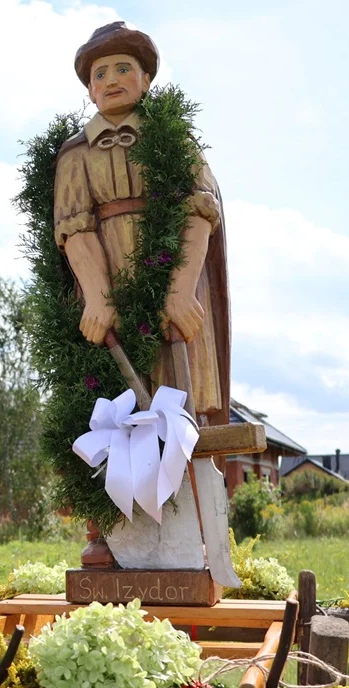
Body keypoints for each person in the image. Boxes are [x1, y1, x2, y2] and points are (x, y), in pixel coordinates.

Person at [53, 21, 230, 426]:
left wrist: (181, 290)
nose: (111, 80)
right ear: (89, 91)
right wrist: (99, 298)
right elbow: (75, 229)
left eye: (122, 68)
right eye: (100, 74)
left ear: (146, 79)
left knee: (182, 403)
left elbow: (200, 211)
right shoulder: (75, 155)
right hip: (110, 284)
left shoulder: (172, 139)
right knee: (120, 407)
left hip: (172, 277)